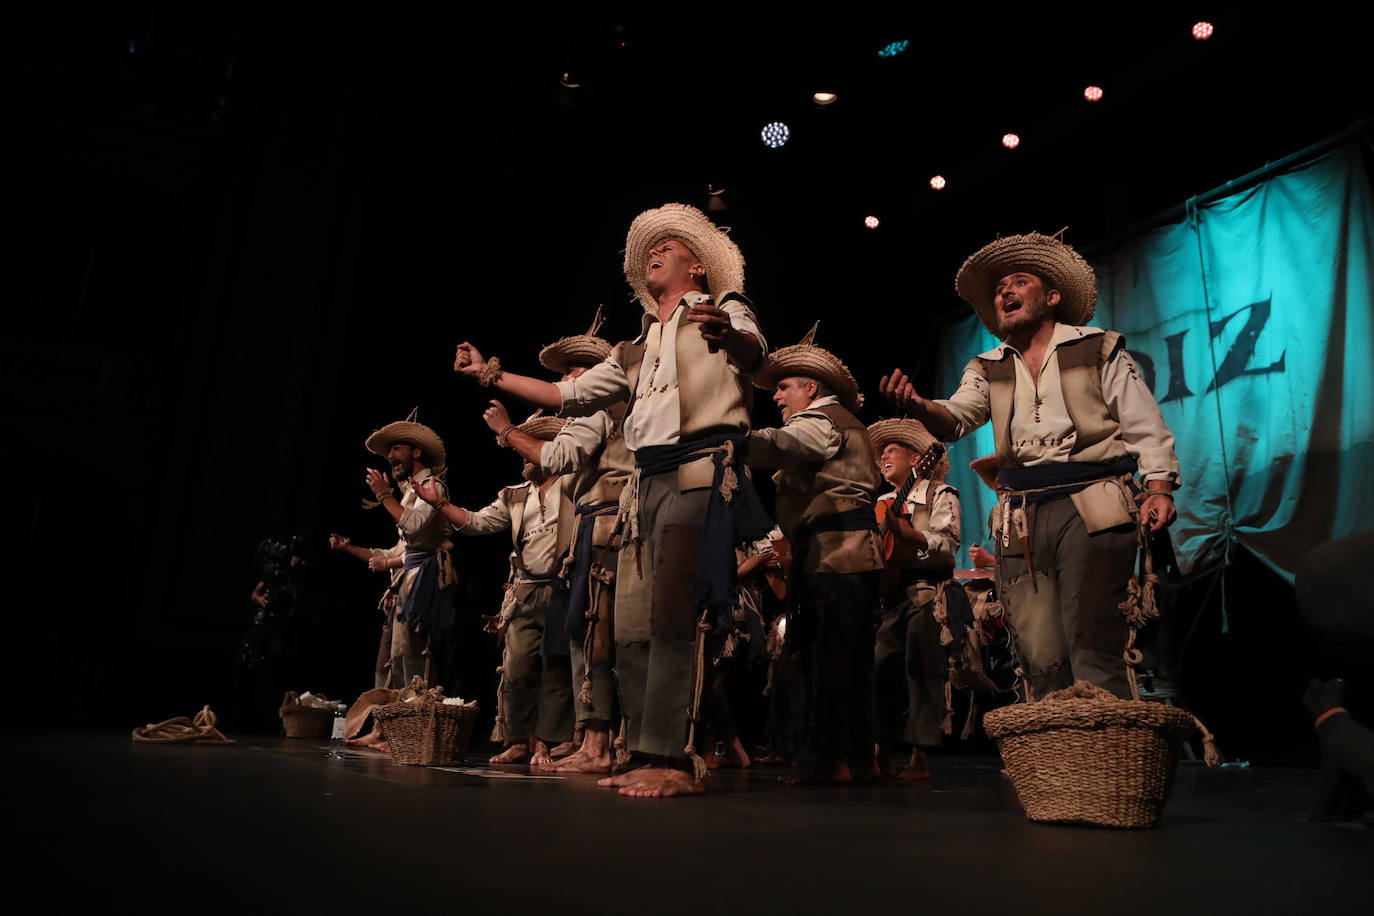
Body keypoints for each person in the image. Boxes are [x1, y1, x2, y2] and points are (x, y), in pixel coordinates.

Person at [451, 203, 771, 797]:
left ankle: (673, 759)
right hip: (641, 487)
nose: (654, 252)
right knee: (627, 625)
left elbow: (756, 354)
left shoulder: (722, 309)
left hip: (697, 469)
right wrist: (488, 375)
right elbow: (562, 393)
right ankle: (643, 749)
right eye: (651, 248)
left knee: (675, 615)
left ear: (697, 265)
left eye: (668, 247)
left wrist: (733, 340)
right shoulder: (634, 348)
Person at [881, 232, 1180, 699]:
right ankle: (1056, 764)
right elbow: (957, 418)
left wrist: (1159, 485)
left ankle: (1101, 763)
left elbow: (1142, 419)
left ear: (1052, 296)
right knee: (1038, 651)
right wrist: (920, 406)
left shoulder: (1096, 347)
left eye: (1020, 281)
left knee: (1092, 639)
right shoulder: (988, 365)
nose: (1005, 292)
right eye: (1001, 287)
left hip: (1093, 501)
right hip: (1020, 512)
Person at [479, 308, 632, 774]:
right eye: (564, 373)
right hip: (592, 526)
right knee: (585, 639)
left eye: (574, 372)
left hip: (606, 525)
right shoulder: (521, 493)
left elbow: (560, 454)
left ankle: (599, 743)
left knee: (597, 636)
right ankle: (588, 737)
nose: (566, 380)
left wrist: (507, 431)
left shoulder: (604, 407)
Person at [744, 326, 883, 784]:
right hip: (844, 553)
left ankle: (830, 758)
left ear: (811, 387)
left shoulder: (823, 421)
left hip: (835, 554)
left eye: (784, 387)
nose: (777, 397)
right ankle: (859, 757)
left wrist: (726, 437)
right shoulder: (837, 422)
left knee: (829, 658)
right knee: (850, 658)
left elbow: (777, 445)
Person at [416, 415, 576, 767]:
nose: (523, 460)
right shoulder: (515, 496)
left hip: (563, 588)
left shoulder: (574, 486)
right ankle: (518, 740)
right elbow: (475, 523)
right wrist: (439, 504)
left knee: (557, 668)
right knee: (517, 668)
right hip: (525, 592)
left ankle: (547, 743)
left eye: (528, 454)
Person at [328, 412, 456, 695]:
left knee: (415, 654)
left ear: (417, 451)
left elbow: (414, 529)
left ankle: (419, 723)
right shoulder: (410, 493)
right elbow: (399, 550)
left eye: (396, 448)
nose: (390, 456)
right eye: (389, 452)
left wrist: (385, 496)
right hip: (409, 581)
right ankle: (394, 729)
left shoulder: (432, 487)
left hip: (425, 583)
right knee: (396, 655)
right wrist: (348, 547)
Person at [867, 418, 960, 780]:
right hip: (890, 597)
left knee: (921, 668)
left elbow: (948, 549)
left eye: (892, 450)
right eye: (881, 453)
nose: (883, 457)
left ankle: (920, 758)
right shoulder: (881, 502)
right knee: (880, 668)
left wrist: (912, 537)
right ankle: (882, 750)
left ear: (917, 458)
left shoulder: (940, 494)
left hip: (927, 593)